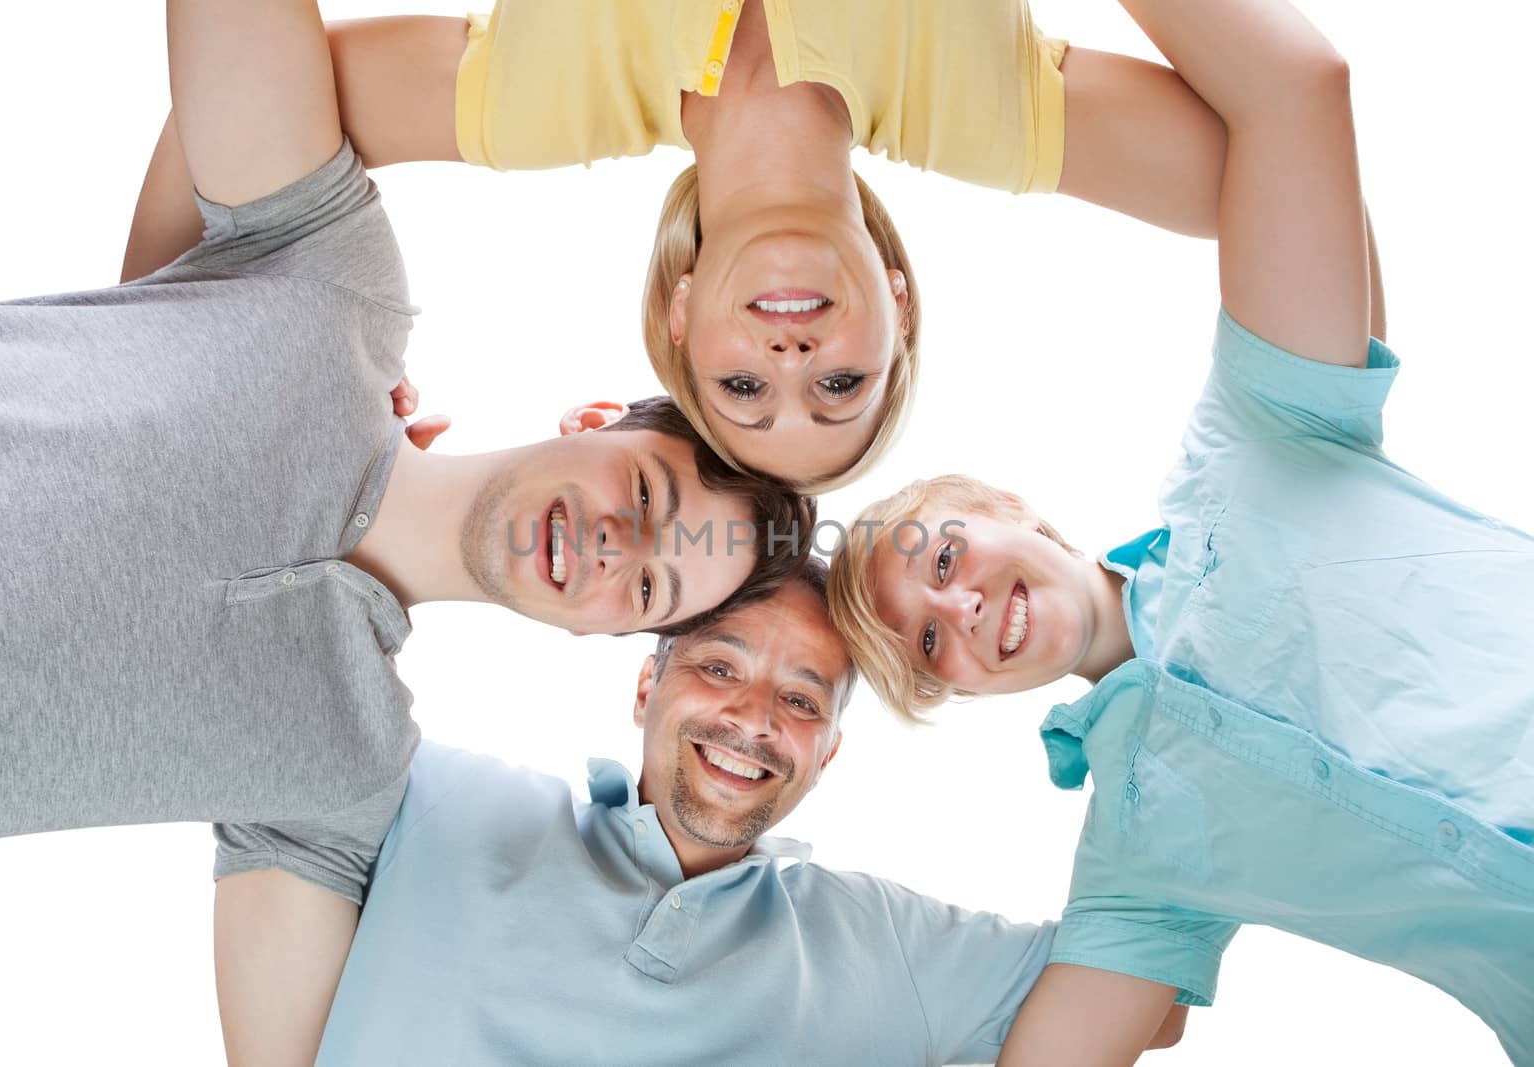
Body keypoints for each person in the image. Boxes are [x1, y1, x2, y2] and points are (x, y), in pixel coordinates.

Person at [0, 0, 812, 913]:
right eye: (643, 494)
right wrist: (723, 117)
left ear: (595, 635)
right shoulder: (335, 290)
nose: (614, 547)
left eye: (644, 589)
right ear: (594, 418)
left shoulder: (339, 770)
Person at [826, 0, 1534, 1062]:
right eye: (929, 642)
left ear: (1012, 505)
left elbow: (1298, 91)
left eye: (942, 554)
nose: (961, 606)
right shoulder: (1137, 864)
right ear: (959, 692)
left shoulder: (1259, 441)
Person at [120, 0, 1231, 491]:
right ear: (899, 298)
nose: (793, 368)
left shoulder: (539, 106)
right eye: (841, 385)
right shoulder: (991, 116)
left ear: (680, 318)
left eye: (744, 388)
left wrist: (204, 410)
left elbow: (233, 109)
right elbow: (1281, 176)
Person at [218, 556, 1188, 1064]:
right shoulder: (441, 800)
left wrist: (1126, 652)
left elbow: (1150, 989)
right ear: (648, 683)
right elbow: (265, 683)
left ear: (828, 750)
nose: (753, 718)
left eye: (801, 698)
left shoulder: (883, 945)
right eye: (719, 666)